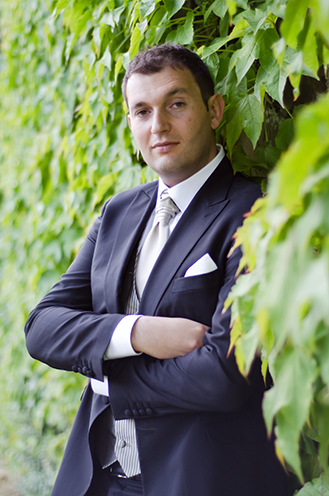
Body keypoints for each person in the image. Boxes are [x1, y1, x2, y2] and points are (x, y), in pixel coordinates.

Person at [25, 44, 288, 496]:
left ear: (215, 110)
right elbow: (42, 326)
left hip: (198, 480)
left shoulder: (256, 214)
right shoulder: (118, 212)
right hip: (98, 479)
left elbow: (225, 376)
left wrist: (107, 376)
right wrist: (137, 333)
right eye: (142, 111)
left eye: (176, 104)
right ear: (130, 123)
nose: (158, 126)